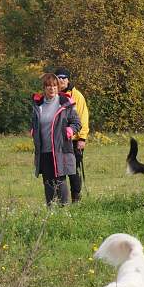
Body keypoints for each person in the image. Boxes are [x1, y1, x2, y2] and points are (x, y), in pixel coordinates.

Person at [31, 73, 81, 206]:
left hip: (60, 149)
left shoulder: (65, 103)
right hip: (44, 150)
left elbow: (77, 123)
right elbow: (34, 123)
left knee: (60, 180)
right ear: (44, 88)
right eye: (48, 86)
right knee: (48, 182)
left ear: (58, 87)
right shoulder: (38, 105)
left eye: (54, 86)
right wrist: (33, 131)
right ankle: (51, 211)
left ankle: (64, 209)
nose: (51, 89)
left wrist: (70, 130)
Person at [55, 67, 89, 202]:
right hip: (57, 140)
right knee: (58, 170)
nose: (61, 80)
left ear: (68, 80)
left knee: (73, 171)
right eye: (59, 78)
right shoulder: (53, 94)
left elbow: (83, 117)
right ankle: (61, 199)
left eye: (64, 78)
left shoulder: (77, 96)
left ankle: (76, 198)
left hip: (74, 140)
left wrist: (82, 138)